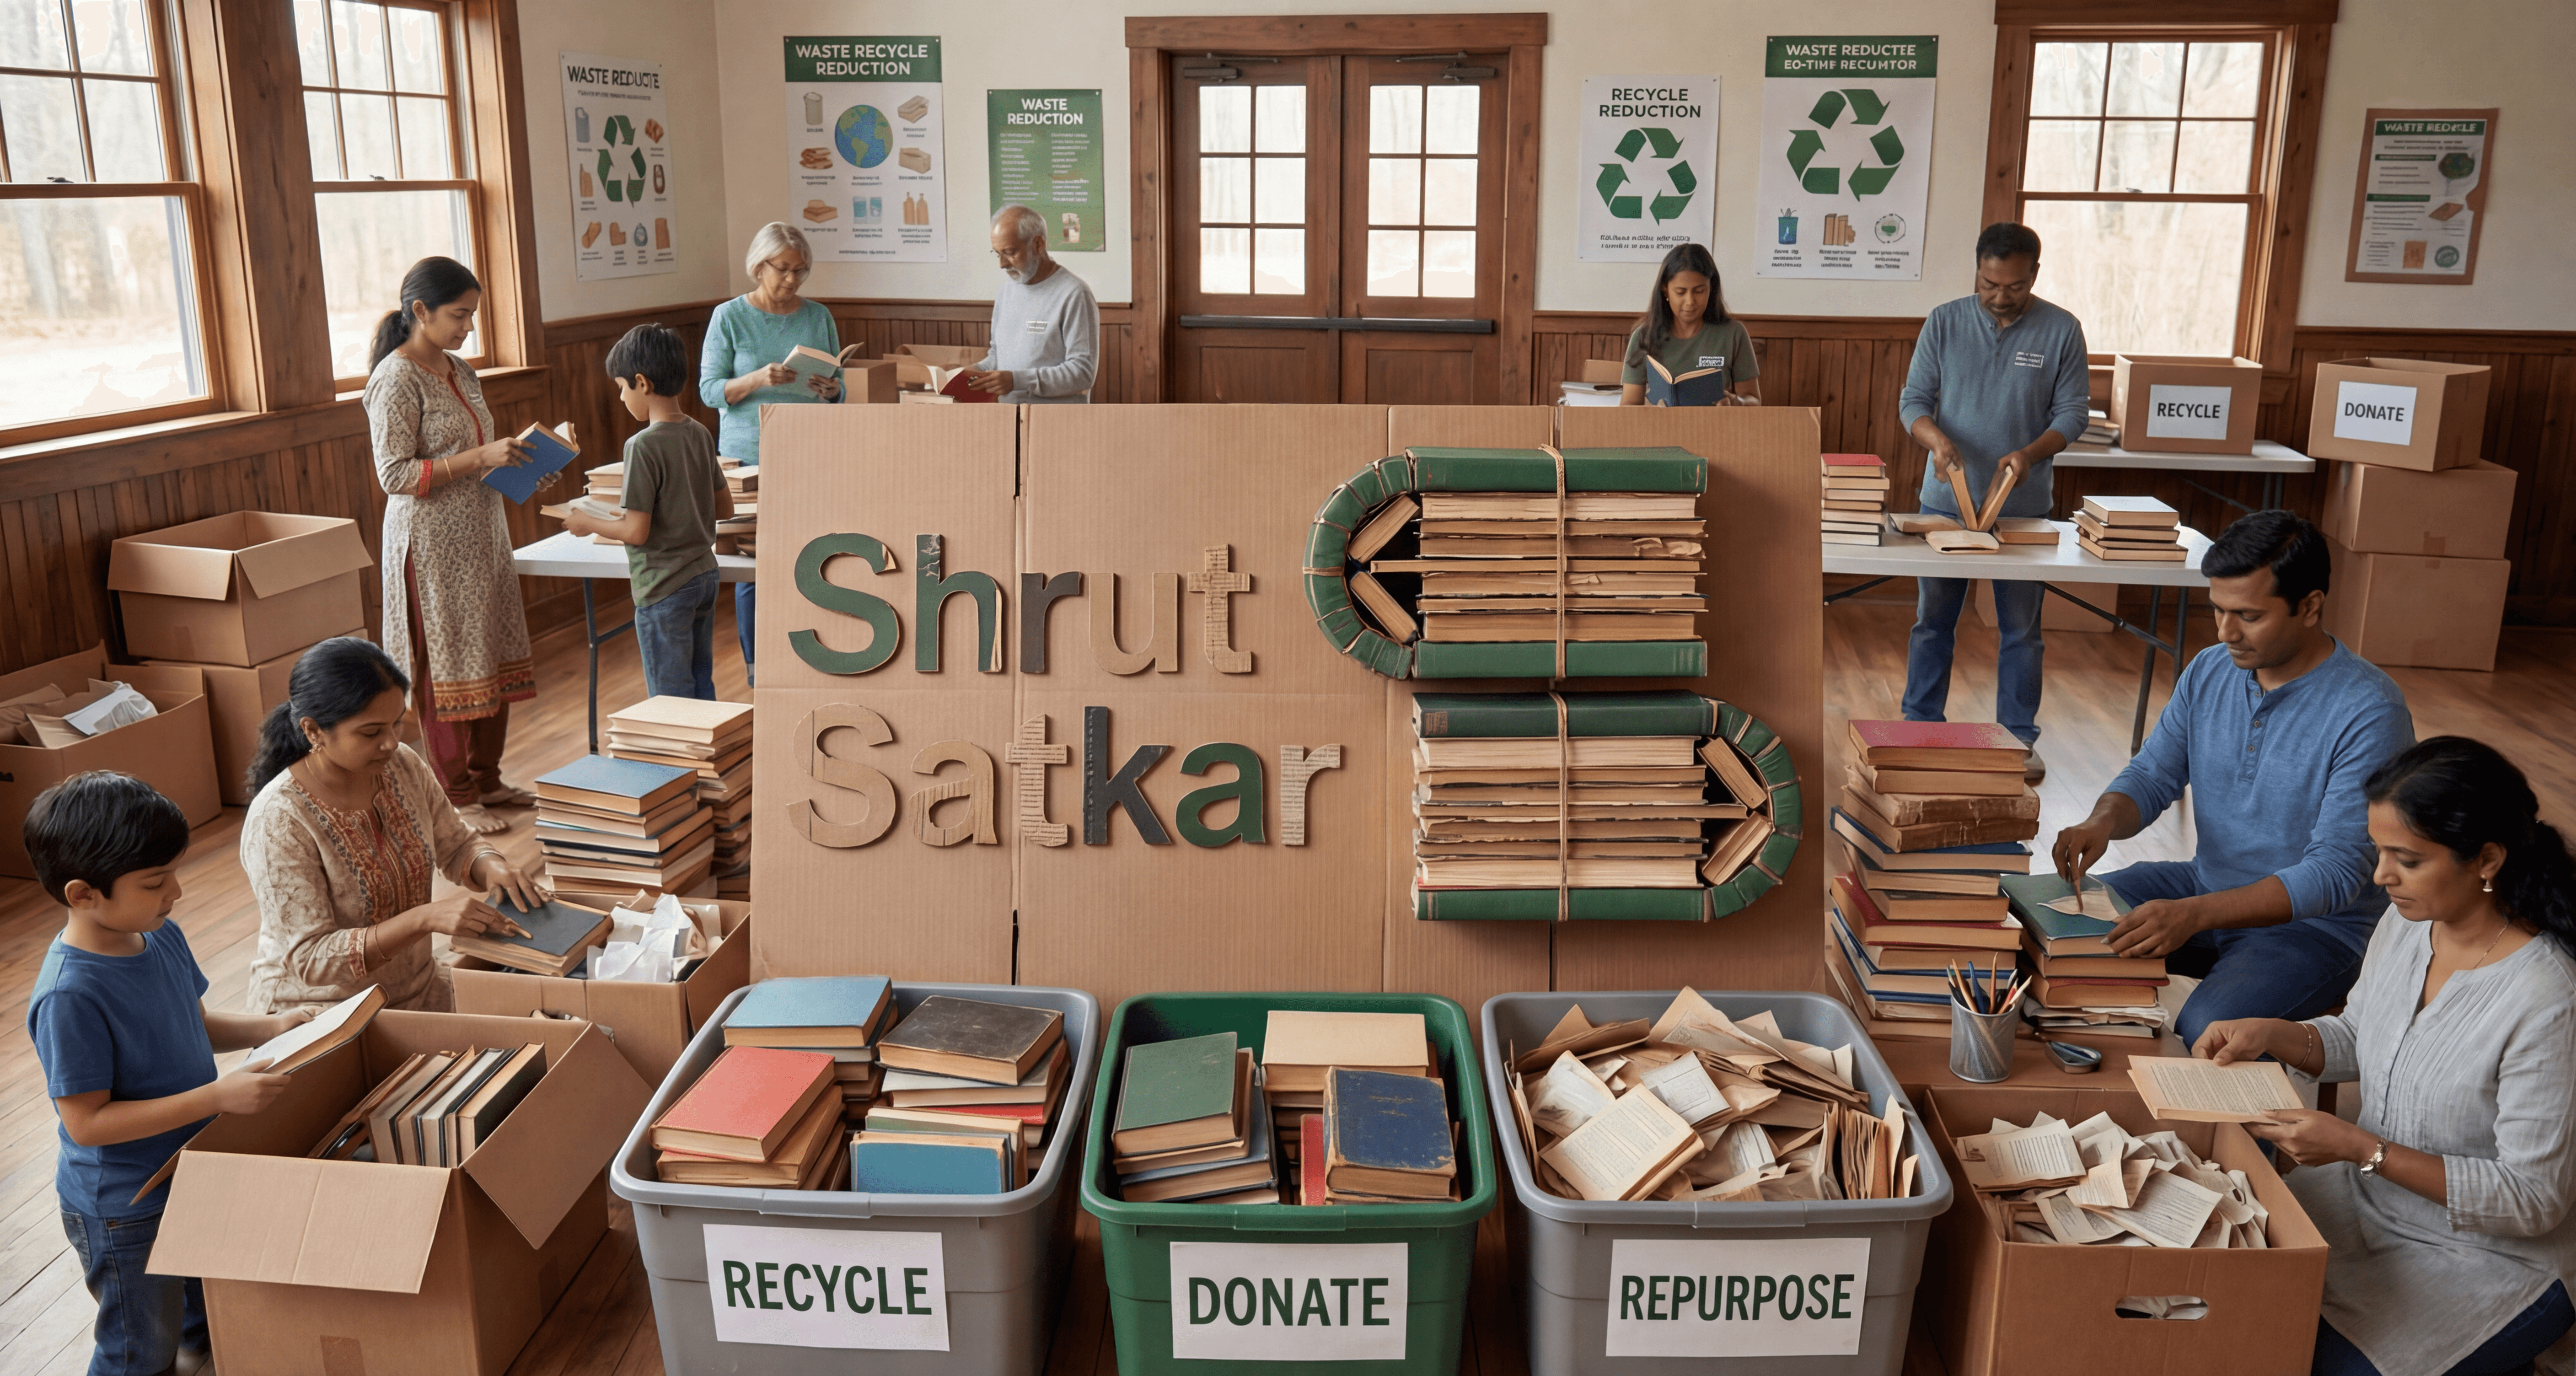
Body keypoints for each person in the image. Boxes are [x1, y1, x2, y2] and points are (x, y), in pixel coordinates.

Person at [2196, 737, 2576, 1376]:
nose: (2380, 876)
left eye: (2407, 859)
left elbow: (2532, 1199)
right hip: (2362, 1200)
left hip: (2491, 1257)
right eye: (2379, 851)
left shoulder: (2550, 999)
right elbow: (2367, 1040)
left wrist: (2359, 1149)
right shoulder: (2408, 924)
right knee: (2217, 1306)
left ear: (2487, 859)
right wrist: (2274, 1033)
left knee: (2294, 1354)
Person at [2055, 511, 2415, 1048]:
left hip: (2317, 931)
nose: (2225, 632)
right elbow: (2153, 774)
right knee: (2048, 932)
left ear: (2310, 606)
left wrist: (2194, 913)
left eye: (2247, 615)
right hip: (2204, 887)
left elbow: (2336, 873)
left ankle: (2247, 1134)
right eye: (2218, 610)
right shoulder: (2208, 669)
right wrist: (2101, 821)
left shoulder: (2368, 711)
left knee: (2207, 1032)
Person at [27, 771, 315, 1376]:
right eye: (156, 882)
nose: (176, 893)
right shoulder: (70, 995)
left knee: (199, 1313)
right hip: (123, 1205)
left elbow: (195, 1021)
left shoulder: (155, 934)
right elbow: (87, 1123)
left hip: (189, 1167)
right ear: (83, 895)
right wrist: (215, 1095)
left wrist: (270, 1027)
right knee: (138, 1348)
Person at [241, 637, 547, 1015]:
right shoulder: (279, 819)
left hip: (416, 990)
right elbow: (312, 960)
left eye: (397, 724)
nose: (390, 743)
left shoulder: (401, 765)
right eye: (371, 733)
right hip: (320, 1013)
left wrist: (493, 866)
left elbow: (457, 844)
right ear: (314, 731)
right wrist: (423, 919)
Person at [1895, 222, 2091, 782]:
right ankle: (1920, 726)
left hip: (2023, 506)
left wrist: (2030, 453)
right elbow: (1914, 401)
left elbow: (2073, 414)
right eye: (1989, 284)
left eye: (2014, 286)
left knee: (2022, 629)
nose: (2000, 296)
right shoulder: (1945, 321)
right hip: (1945, 502)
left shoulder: (2061, 330)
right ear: (1976, 271)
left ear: (2034, 275)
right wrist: (1935, 439)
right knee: (1932, 622)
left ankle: (2017, 739)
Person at [363, 255, 541, 834]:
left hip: (483, 534)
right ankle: (456, 793)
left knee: (490, 651)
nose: (468, 327)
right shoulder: (395, 378)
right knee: (446, 665)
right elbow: (394, 474)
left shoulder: (461, 370)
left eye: (472, 316)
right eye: (459, 315)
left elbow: (479, 454)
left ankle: (487, 777)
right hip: (432, 544)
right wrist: (480, 457)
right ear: (420, 311)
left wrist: (525, 465)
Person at [699, 221, 862, 685]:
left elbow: (839, 386)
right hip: (749, 456)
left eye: (801, 271)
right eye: (783, 269)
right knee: (757, 563)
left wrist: (832, 389)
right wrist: (755, 379)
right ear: (758, 265)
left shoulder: (818, 316)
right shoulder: (728, 317)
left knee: (814, 556)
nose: (792, 280)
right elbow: (710, 390)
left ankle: (817, 656)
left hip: (812, 451)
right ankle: (759, 669)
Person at [564, 324, 732, 699]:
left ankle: (678, 760)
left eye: (622, 388)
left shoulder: (642, 446)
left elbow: (637, 532)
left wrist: (586, 521)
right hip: (704, 576)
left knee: (670, 698)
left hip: (664, 586)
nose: (622, 398)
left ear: (642, 383)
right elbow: (725, 507)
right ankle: (705, 757)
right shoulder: (700, 433)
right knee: (701, 683)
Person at [965, 204, 1099, 403]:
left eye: (1010, 252)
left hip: (1057, 425)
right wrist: (976, 371)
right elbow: (997, 355)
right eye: (997, 253)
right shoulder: (1007, 291)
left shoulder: (1075, 294)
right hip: (1010, 421)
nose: (1002, 264)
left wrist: (1018, 381)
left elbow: (1083, 373)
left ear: (1038, 244)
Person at [1617, 242, 1760, 406]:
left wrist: (1737, 402)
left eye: (1699, 291)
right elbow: (1628, 406)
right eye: (1680, 292)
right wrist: (1651, 410)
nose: (1690, 302)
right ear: (1666, 290)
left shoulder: (1734, 333)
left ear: (1711, 288)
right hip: (1661, 428)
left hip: (1717, 428)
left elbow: (1754, 401)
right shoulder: (1644, 336)